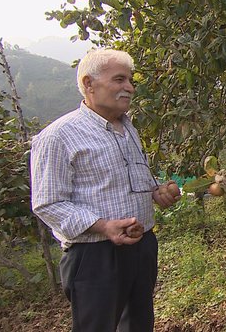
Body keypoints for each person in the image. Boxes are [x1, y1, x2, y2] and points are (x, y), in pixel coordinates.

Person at [30, 49, 181, 331]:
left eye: (130, 80)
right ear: (89, 84)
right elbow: (47, 203)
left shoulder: (128, 127)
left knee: (138, 324)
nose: (130, 88)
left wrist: (157, 192)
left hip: (142, 247)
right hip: (95, 257)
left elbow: (131, 180)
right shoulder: (58, 136)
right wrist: (103, 226)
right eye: (120, 79)